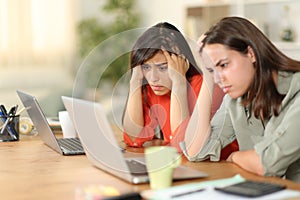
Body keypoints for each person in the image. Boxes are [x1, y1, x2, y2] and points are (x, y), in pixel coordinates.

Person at [181, 16, 300, 183]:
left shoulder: (296, 91)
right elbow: (195, 150)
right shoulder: (235, 98)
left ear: (251, 54)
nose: (218, 78)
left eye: (223, 65)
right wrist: (208, 76)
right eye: (212, 69)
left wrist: (235, 157)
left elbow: (266, 163)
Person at [122, 22, 238, 158]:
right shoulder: (152, 89)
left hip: (221, 167)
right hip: (188, 165)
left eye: (162, 67)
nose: (153, 78)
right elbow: (133, 139)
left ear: (181, 61)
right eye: (146, 67)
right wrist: (135, 81)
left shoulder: (207, 86)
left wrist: (179, 83)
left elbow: (182, 146)